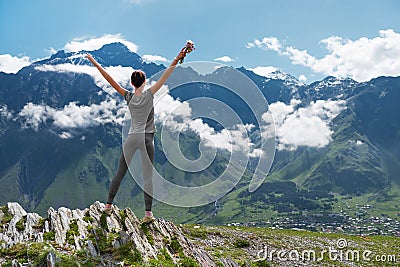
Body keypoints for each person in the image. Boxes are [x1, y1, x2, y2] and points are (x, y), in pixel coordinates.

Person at [86, 46, 187, 223]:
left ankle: (108, 206)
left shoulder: (128, 97)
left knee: (120, 172)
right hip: (147, 139)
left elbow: (109, 79)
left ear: (132, 83)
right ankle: (148, 215)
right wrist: (178, 56)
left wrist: (94, 62)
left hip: (132, 138)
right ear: (145, 81)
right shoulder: (150, 94)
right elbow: (167, 74)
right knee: (148, 176)